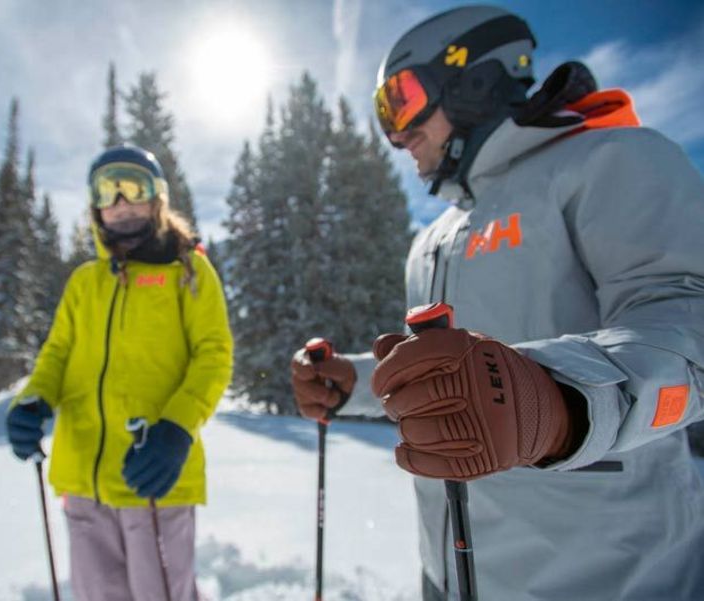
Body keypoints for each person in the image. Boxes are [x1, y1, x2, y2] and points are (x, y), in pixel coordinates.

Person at [291, 5, 704, 600]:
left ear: (472, 78)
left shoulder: (612, 161)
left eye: (402, 101)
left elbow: (684, 321)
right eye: (383, 114)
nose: (397, 134)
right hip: (453, 571)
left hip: (611, 577)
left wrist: (556, 402)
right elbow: (450, 377)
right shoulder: (433, 238)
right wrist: (351, 382)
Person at [6, 145, 233, 601]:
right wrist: (32, 400)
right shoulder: (85, 283)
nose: (123, 200)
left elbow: (214, 356)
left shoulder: (188, 271)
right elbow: (56, 355)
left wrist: (177, 428)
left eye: (135, 186)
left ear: (157, 199)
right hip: (83, 482)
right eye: (109, 190)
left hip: (155, 475)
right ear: (95, 206)